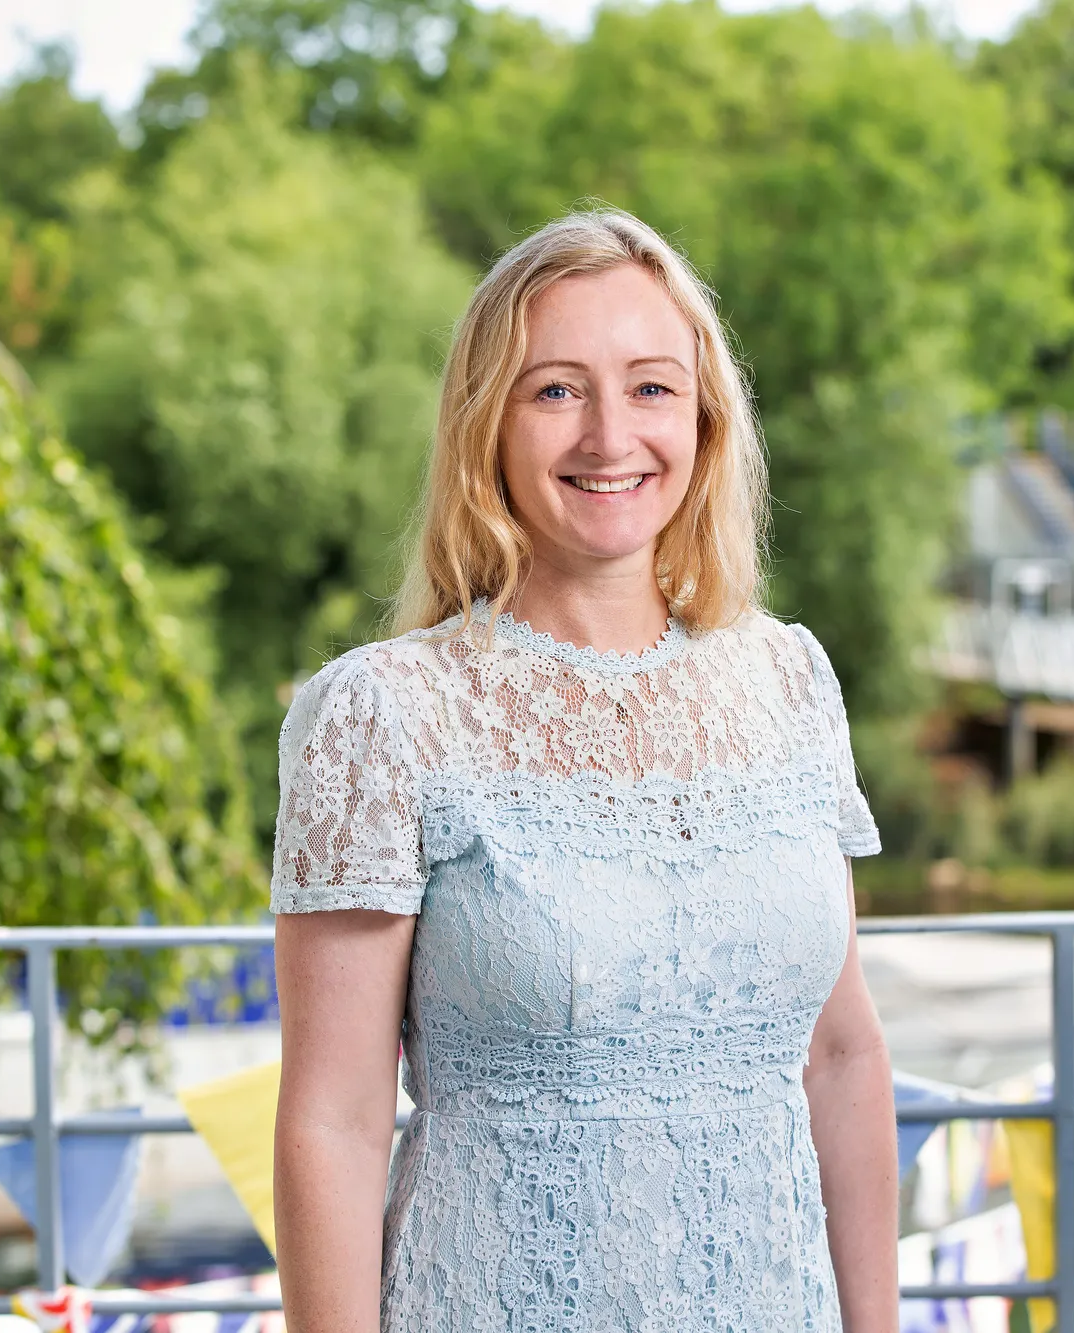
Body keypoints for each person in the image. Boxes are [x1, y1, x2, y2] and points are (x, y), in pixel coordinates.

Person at [270, 208, 899, 1332]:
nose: (610, 436)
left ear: (704, 419)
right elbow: (334, 1122)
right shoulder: (385, 713)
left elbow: (842, 1056)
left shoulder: (792, 680)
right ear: (486, 424)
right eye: (556, 390)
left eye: (651, 387)